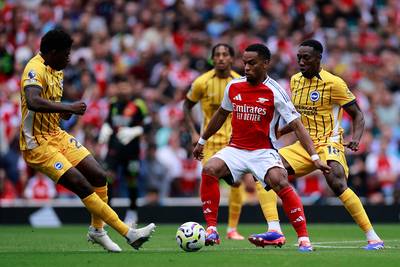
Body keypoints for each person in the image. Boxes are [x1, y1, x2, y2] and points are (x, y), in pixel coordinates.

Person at [19, 29, 155, 253]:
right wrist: (68, 107)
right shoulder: (34, 69)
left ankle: (97, 231)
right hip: (37, 144)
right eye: (66, 53)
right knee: (82, 184)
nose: (69, 58)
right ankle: (129, 233)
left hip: (56, 134)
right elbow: (33, 101)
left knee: (99, 176)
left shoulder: (57, 69)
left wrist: (61, 112)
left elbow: (48, 102)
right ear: (53, 52)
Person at [193, 43, 331, 252]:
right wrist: (202, 141)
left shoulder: (275, 92)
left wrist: (314, 157)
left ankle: (303, 238)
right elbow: (221, 115)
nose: (246, 67)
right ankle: (212, 229)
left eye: (252, 63)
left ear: (265, 64)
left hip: (263, 151)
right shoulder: (234, 86)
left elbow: (297, 125)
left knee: (279, 181)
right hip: (236, 149)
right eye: (245, 63)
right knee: (209, 168)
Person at [249, 39, 384, 250]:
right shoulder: (295, 81)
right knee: (263, 171)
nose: (301, 62)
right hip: (304, 145)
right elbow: (298, 116)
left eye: (306, 58)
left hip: (328, 141)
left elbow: (358, 114)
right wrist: (281, 130)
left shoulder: (334, 83)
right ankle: (274, 230)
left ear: (319, 58)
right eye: (298, 58)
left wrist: (356, 138)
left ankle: (373, 237)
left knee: (337, 183)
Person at [183, 43, 283, 242]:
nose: (221, 58)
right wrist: (195, 133)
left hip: (235, 141)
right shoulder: (202, 82)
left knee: (237, 183)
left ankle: (231, 228)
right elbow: (186, 105)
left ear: (231, 59)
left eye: (225, 55)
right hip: (211, 141)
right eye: (217, 55)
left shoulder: (241, 81)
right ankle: (212, 228)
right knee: (210, 176)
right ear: (212, 59)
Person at [98, 75, 149, 224]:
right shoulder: (113, 104)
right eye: (120, 87)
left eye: (126, 87)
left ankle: (133, 212)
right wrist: (105, 128)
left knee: (131, 180)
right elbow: (108, 121)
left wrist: (135, 131)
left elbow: (148, 124)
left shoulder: (138, 105)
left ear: (131, 88)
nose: (123, 90)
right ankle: (108, 213)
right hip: (113, 149)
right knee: (108, 179)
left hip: (131, 151)